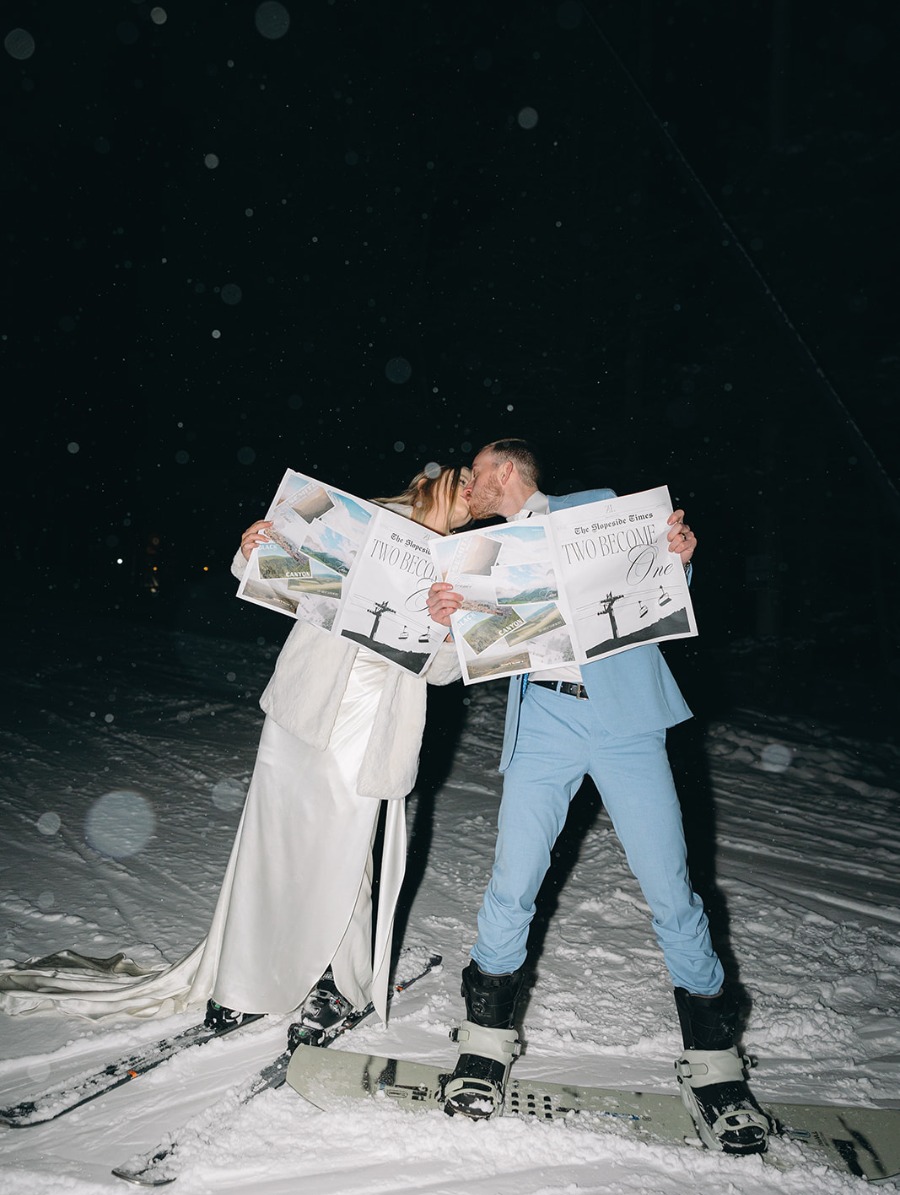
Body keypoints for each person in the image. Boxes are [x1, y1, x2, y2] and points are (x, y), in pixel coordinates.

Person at [0, 465, 470, 1036]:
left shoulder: (464, 565)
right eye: (464, 474)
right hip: (306, 701)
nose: (471, 488)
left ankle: (332, 978)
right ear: (432, 479)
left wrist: (449, 628)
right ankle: (247, 979)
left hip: (375, 720)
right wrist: (253, 550)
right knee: (272, 841)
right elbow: (278, 580)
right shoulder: (361, 518)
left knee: (344, 849)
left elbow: (446, 672)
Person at [425, 439, 769, 1155]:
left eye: (477, 473)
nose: (469, 485)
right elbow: (469, 643)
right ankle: (485, 1045)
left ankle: (715, 1066)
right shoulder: (482, 551)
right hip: (545, 722)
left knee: (671, 889)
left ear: (508, 472)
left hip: (626, 723)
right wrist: (446, 612)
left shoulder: (595, 511)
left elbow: (657, 575)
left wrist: (681, 555)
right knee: (511, 883)